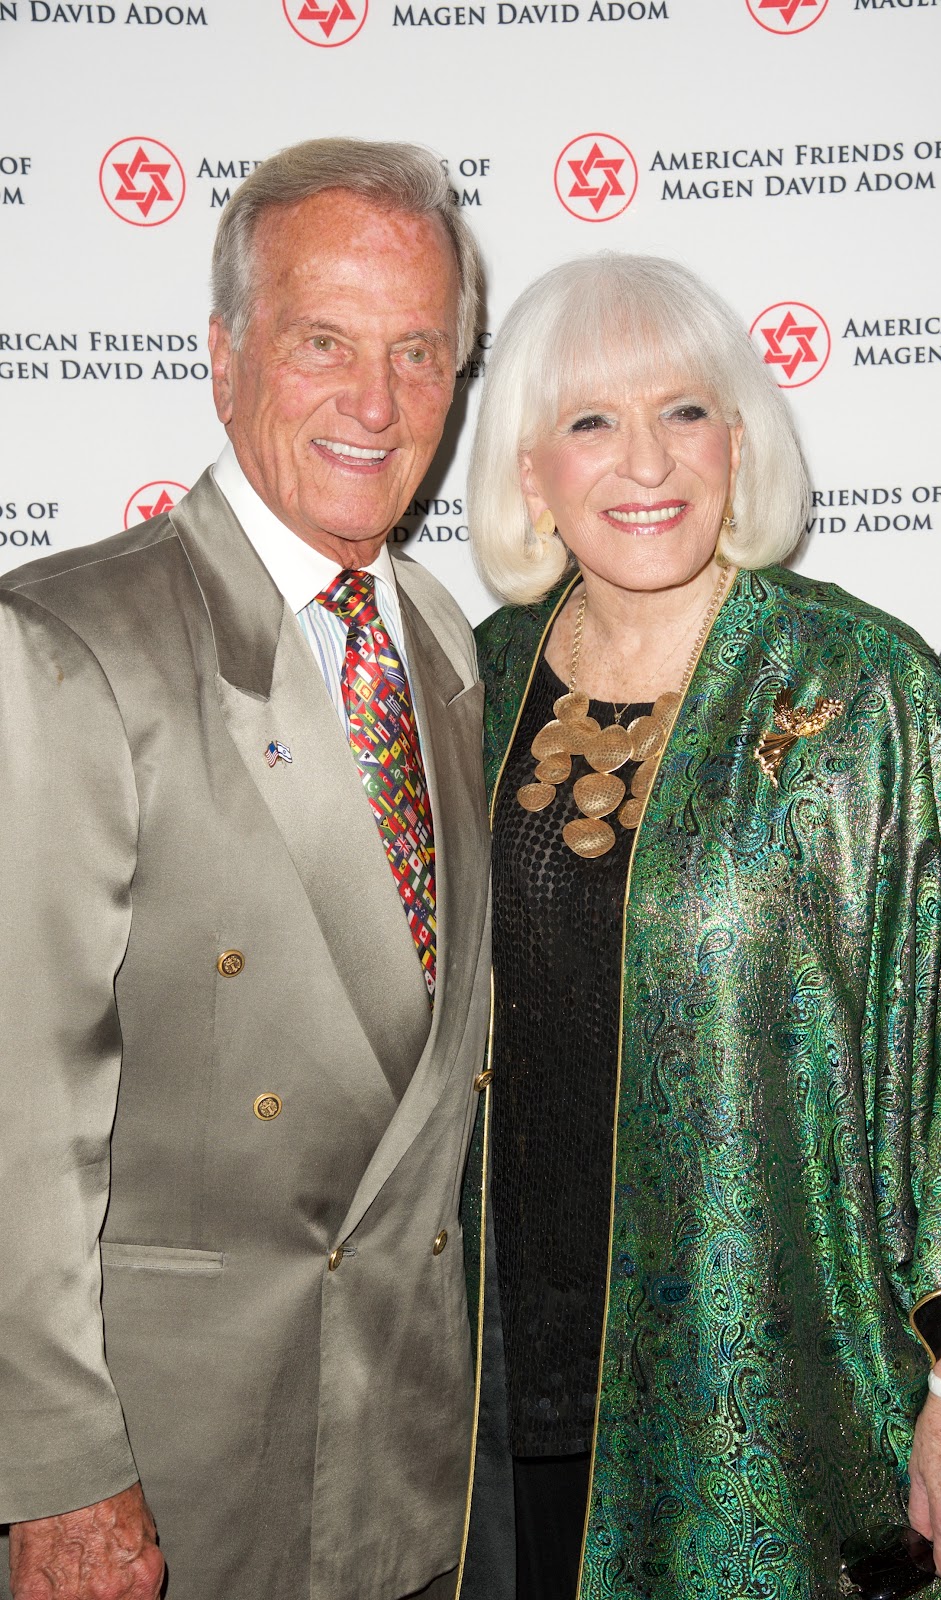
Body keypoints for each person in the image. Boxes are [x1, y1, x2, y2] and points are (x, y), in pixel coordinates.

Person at [462, 254, 941, 1600]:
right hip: (488, 1416)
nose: (644, 462)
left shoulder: (860, 692)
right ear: (526, 475)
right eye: (588, 422)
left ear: (739, 437)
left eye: (683, 410)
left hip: (773, 1409)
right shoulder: (474, 680)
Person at [0, 138, 492, 1600]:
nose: (377, 402)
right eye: (322, 342)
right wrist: (61, 1475)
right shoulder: (67, 645)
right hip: (166, 1480)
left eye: (421, 353)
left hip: (401, 1465)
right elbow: (17, 1118)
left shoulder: (442, 642)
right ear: (222, 358)